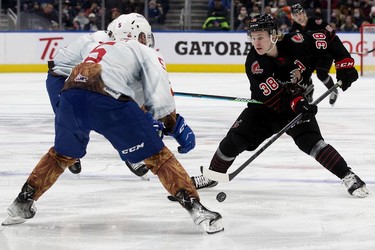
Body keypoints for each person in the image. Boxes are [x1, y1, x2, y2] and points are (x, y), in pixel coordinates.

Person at [2, 13, 224, 234]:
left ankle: (21, 204)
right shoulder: (144, 51)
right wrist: (176, 126)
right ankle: (197, 210)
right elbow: (160, 98)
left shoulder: (94, 45)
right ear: (140, 36)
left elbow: (64, 72)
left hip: (70, 96)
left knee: (61, 156)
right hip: (108, 102)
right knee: (158, 158)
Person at [192, 13, 369, 198]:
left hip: (297, 104)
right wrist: (299, 102)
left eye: (260, 37)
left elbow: (328, 36)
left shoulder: (298, 41)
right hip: (265, 109)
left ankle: (348, 176)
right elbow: (277, 98)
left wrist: (344, 64)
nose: (256, 42)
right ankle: (213, 175)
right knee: (233, 140)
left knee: (311, 142)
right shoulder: (255, 64)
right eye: (253, 38)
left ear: (274, 35)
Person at [45, 18, 149, 179]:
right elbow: (92, 70)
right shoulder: (97, 41)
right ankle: (70, 153)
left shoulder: (121, 46)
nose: (144, 41)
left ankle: (130, 154)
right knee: (72, 119)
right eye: (141, 37)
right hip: (61, 77)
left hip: (85, 79)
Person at [290, 3, 338, 106]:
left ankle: (333, 90)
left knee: (321, 74)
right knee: (304, 73)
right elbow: (291, 43)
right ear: (293, 17)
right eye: (295, 15)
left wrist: (329, 43)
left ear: (304, 13)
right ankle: (309, 92)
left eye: (299, 13)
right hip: (310, 55)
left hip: (324, 53)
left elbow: (331, 31)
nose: (298, 17)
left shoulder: (316, 21)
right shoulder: (294, 28)